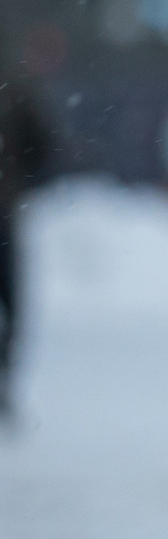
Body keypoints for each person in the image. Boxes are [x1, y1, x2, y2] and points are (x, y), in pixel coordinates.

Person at [0, 76, 54, 418]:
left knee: (14, 309)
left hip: (3, 215)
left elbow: (44, 146)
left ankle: (4, 381)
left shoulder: (13, 92)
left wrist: (20, 186)